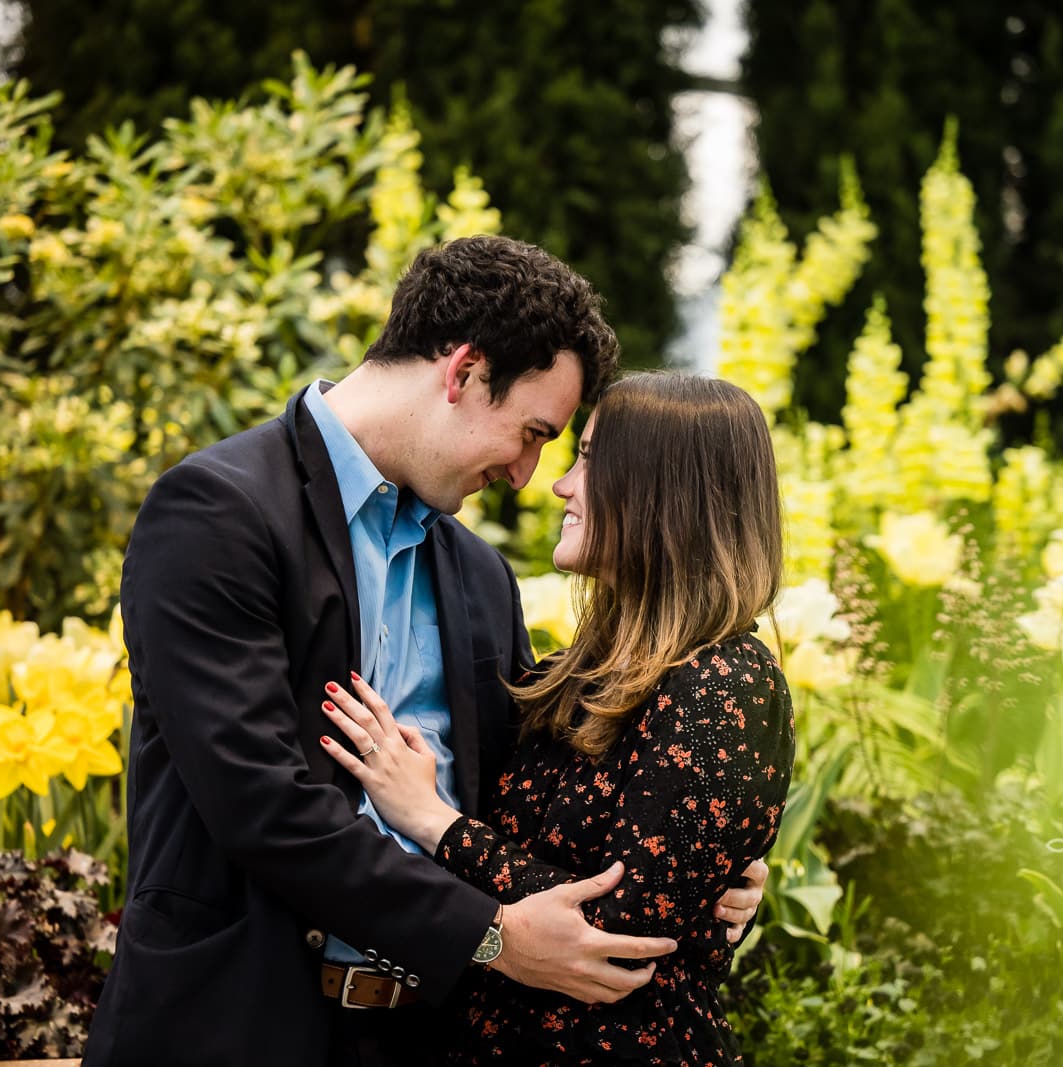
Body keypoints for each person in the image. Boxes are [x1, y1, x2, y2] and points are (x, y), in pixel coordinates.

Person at [84, 238, 765, 1067]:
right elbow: (262, 807)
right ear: (464, 372)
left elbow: (542, 796)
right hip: (234, 1026)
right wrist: (489, 938)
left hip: (426, 1039)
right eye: (531, 432)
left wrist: (704, 866)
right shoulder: (217, 514)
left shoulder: (477, 575)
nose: (526, 475)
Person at [319, 373, 795, 1064]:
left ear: (662, 490)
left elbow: (612, 936)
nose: (561, 485)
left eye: (590, 461)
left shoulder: (724, 684)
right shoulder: (580, 673)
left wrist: (432, 821)